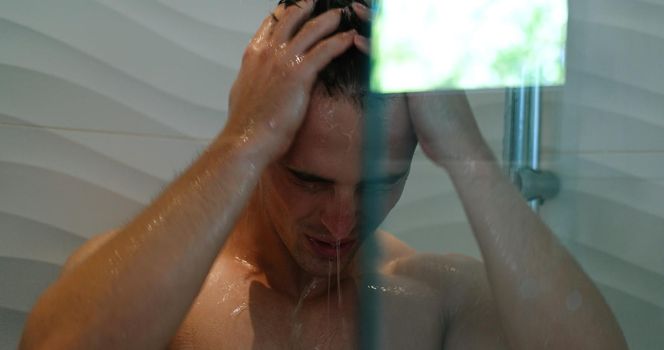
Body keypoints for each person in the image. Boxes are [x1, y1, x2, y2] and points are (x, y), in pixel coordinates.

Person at [20, 1, 628, 349]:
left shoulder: (428, 299)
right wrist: (240, 139)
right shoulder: (173, 296)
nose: (341, 221)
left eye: (377, 183)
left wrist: (469, 155)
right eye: (308, 180)